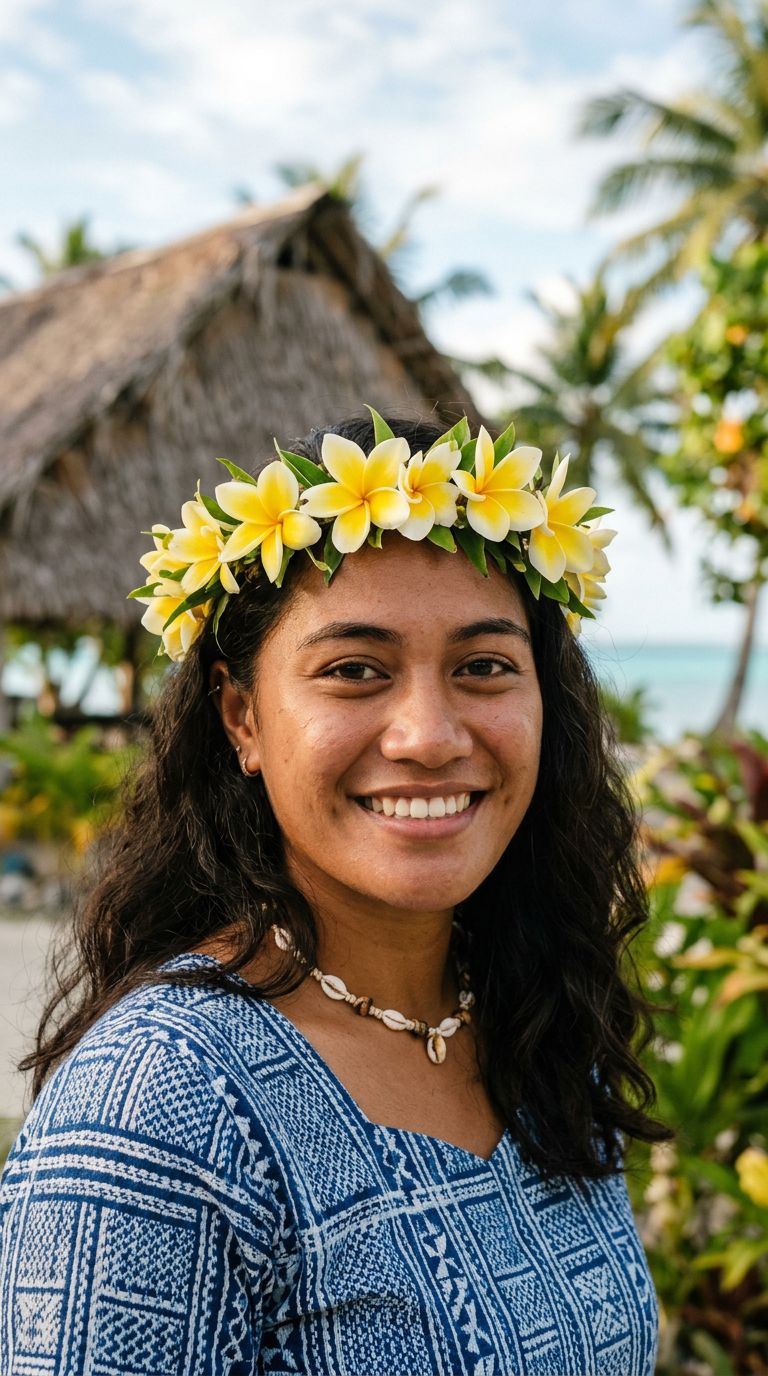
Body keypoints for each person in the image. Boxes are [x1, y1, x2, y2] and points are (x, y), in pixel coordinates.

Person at [0, 409, 671, 1375]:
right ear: (243, 720)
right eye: (355, 670)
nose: (429, 735)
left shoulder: (536, 1022)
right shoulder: (160, 1108)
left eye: (484, 667)